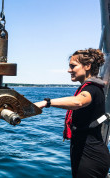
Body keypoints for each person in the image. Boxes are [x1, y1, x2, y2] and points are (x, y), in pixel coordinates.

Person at [34, 48, 110, 178]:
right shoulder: (90, 87)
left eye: (73, 66)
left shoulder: (92, 89)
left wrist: (46, 103)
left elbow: (78, 102)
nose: (69, 70)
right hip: (86, 152)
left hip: (91, 157)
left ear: (87, 66)